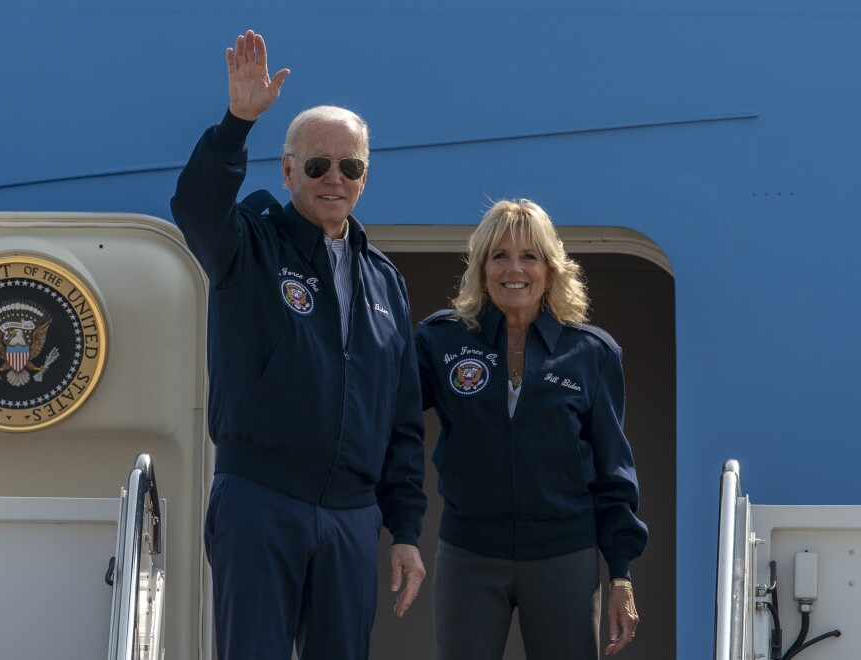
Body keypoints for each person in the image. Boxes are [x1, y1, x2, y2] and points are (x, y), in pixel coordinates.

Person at [170, 30, 426, 660]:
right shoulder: (249, 244)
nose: (333, 178)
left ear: (366, 175)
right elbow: (196, 209)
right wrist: (236, 123)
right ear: (288, 170)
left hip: (351, 515)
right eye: (317, 165)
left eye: (350, 166)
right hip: (260, 498)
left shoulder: (385, 282)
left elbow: (401, 421)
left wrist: (407, 530)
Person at [415, 198, 648, 659]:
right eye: (499, 256)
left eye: (529, 256)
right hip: (469, 555)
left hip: (565, 558)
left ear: (551, 268)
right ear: (481, 268)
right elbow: (389, 423)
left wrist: (620, 574)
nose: (513, 269)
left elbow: (614, 472)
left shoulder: (593, 353)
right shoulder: (440, 340)